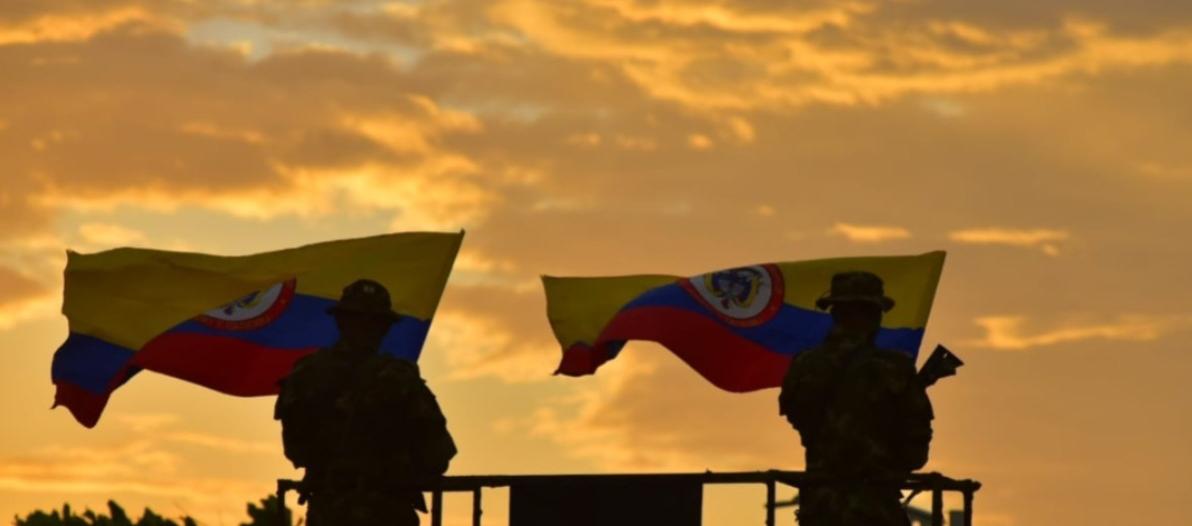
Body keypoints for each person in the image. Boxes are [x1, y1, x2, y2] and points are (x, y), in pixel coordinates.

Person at [275, 279, 456, 526]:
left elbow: (295, 449)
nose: (368, 329)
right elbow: (437, 454)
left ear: (340, 321)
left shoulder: (307, 374)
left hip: (330, 512)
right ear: (385, 328)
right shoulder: (399, 377)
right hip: (387, 511)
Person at [778, 271, 933, 526]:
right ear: (874, 315)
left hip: (821, 508)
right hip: (876, 509)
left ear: (835, 313)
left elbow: (803, 423)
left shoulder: (805, 365)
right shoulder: (895, 368)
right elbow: (915, 453)